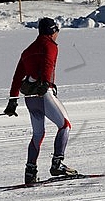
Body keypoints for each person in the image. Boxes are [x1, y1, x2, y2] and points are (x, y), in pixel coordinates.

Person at [4, 17, 77, 184]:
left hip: (30, 98)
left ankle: (30, 171)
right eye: (57, 31)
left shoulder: (28, 50)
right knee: (64, 125)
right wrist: (45, 83)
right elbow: (48, 63)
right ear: (52, 31)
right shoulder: (50, 45)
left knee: (38, 134)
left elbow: (17, 77)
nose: (58, 34)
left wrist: (13, 100)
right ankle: (57, 164)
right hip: (44, 94)